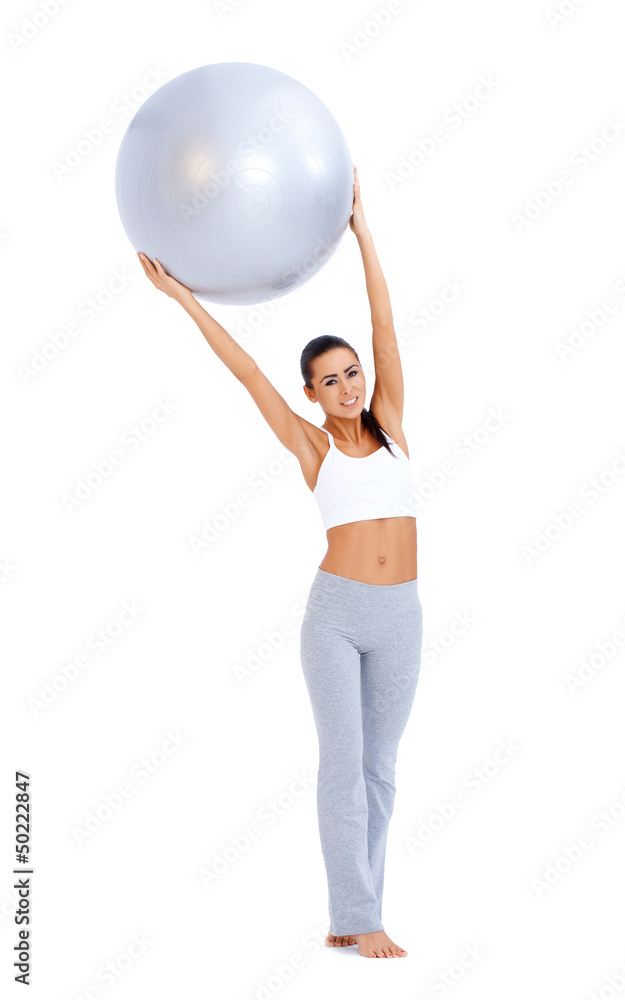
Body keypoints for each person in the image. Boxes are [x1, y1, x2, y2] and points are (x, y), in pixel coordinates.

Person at [137, 166, 422, 959]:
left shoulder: (391, 423)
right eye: (328, 380)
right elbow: (246, 374)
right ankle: (362, 920)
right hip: (336, 615)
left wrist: (364, 233)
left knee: (381, 769)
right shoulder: (311, 444)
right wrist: (187, 300)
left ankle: (350, 913)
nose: (345, 384)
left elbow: (387, 327)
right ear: (310, 394)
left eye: (350, 372)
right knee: (344, 764)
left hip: (401, 613)